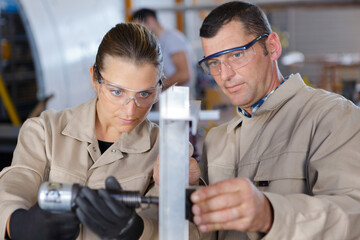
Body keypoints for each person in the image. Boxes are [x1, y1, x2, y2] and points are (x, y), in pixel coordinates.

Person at [0, 23, 200, 240]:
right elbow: (12, 187)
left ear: (160, 86)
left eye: (145, 94)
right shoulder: (45, 131)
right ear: (95, 78)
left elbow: (188, 231)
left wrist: (138, 229)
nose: (131, 109)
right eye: (116, 92)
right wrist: (17, 224)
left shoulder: (167, 150)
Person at [190, 1, 360, 240]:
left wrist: (270, 215)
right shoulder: (216, 139)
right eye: (214, 63)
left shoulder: (332, 116)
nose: (225, 75)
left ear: (272, 46)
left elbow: (353, 215)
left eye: (237, 55)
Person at [131, 8, 194, 92]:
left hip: (181, 99)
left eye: (140, 27)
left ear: (150, 21)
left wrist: (157, 87)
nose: (140, 33)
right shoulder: (157, 42)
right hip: (169, 97)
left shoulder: (172, 38)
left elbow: (184, 74)